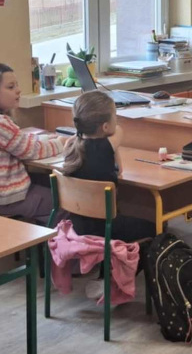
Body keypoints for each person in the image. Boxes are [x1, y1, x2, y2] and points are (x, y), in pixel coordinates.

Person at [0, 63, 64, 222]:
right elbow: (32, 151)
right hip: (5, 199)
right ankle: (54, 237)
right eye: (11, 87)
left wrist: (47, 139)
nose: (18, 90)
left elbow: (20, 141)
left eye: (17, 85)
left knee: (55, 184)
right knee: (67, 203)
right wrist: (62, 142)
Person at [63, 91, 155, 244]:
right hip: (106, 228)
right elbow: (118, 131)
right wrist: (111, 133)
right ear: (105, 126)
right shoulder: (106, 145)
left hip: (78, 226)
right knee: (157, 227)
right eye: (115, 116)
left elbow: (118, 170)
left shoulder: (70, 144)